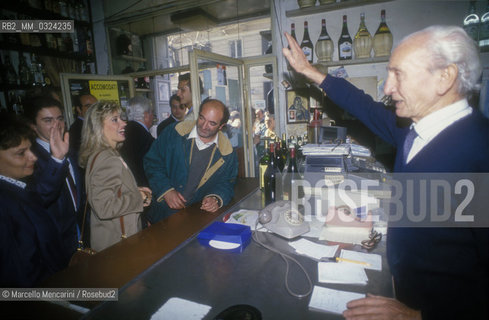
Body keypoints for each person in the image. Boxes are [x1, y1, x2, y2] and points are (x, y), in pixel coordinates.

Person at [284, 25, 489, 319]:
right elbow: (363, 106)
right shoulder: (411, 130)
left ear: (445, 77)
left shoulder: (480, 153)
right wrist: (311, 72)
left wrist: (417, 315)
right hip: (403, 293)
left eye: (398, 74)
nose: (387, 88)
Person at [144, 99, 238, 223]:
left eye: (212, 123)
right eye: (202, 118)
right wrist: (166, 190)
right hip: (161, 214)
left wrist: (215, 198)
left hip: (195, 218)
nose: (204, 126)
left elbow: (226, 183)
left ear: (221, 126)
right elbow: (152, 162)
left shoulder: (227, 153)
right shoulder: (174, 132)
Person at [0, 115, 67, 287]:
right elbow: (19, 273)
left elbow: (39, 196)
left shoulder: (15, 185)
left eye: (30, 149)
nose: (33, 157)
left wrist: (57, 158)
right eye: (21, 153)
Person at [79, 101, 152, 252]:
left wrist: (134, 189)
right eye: (115, 119)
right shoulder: (107, 159)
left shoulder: (105, 154)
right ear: (98, 127)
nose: (124, 123)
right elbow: (104, 207)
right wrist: (140, 197)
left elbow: (110, 191)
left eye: (121, 118)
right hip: (117, 245)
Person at [24, 96, 83, 264]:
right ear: (33, 126)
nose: (56, 125)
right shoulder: (28, 159)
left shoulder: (70, 151)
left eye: (60, 119)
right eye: (48, 120)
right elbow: (39, 197)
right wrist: (57, 160)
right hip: (54, 246)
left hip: (79, 236)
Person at [119, 95, 155, 187]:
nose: (153, 116)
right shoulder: (146, 139)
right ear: (146, 115)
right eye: (152, 113)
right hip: (142, 191)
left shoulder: (121, 134)